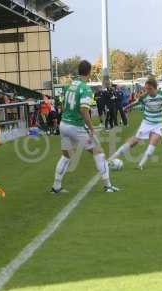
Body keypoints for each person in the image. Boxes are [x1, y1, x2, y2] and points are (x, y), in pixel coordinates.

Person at [51, 60, 119, 193]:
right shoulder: (85, 88)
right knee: (99, 153)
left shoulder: (71, 85)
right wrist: (92, 128)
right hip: (75, 127)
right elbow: (83, 110)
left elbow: (63, 104)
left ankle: (56, 187)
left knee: (66, 156)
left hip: (64, 124)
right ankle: (108, 186)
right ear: (89, 72)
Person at [110, 77, 162, 170]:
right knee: (134, 142)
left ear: (155, 88)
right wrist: (126, 108)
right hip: (146, 123)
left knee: (152, 144)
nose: (147, 91)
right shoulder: (144, 97)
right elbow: (136, 103)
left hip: (158, 125)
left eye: (149, 89)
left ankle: (140, 165)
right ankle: (111, 158)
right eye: (146, 89)